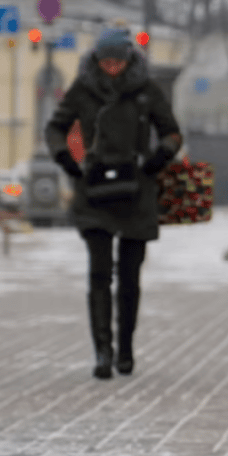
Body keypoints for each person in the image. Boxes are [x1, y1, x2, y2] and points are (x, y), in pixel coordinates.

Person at [45, 28, 183, 380]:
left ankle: (125, 348)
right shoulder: (83, 89)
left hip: (137, 190)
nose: (111, 68)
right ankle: (102, 352)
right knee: (99, 274)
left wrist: (158, 159)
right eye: (106, 62)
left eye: (117, 61)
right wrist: (66, 160)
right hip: (94, 191)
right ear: (96, 60)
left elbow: (171, 131)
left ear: (128, 59)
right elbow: (55, 127)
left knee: (130, 277)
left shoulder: (146, 90)